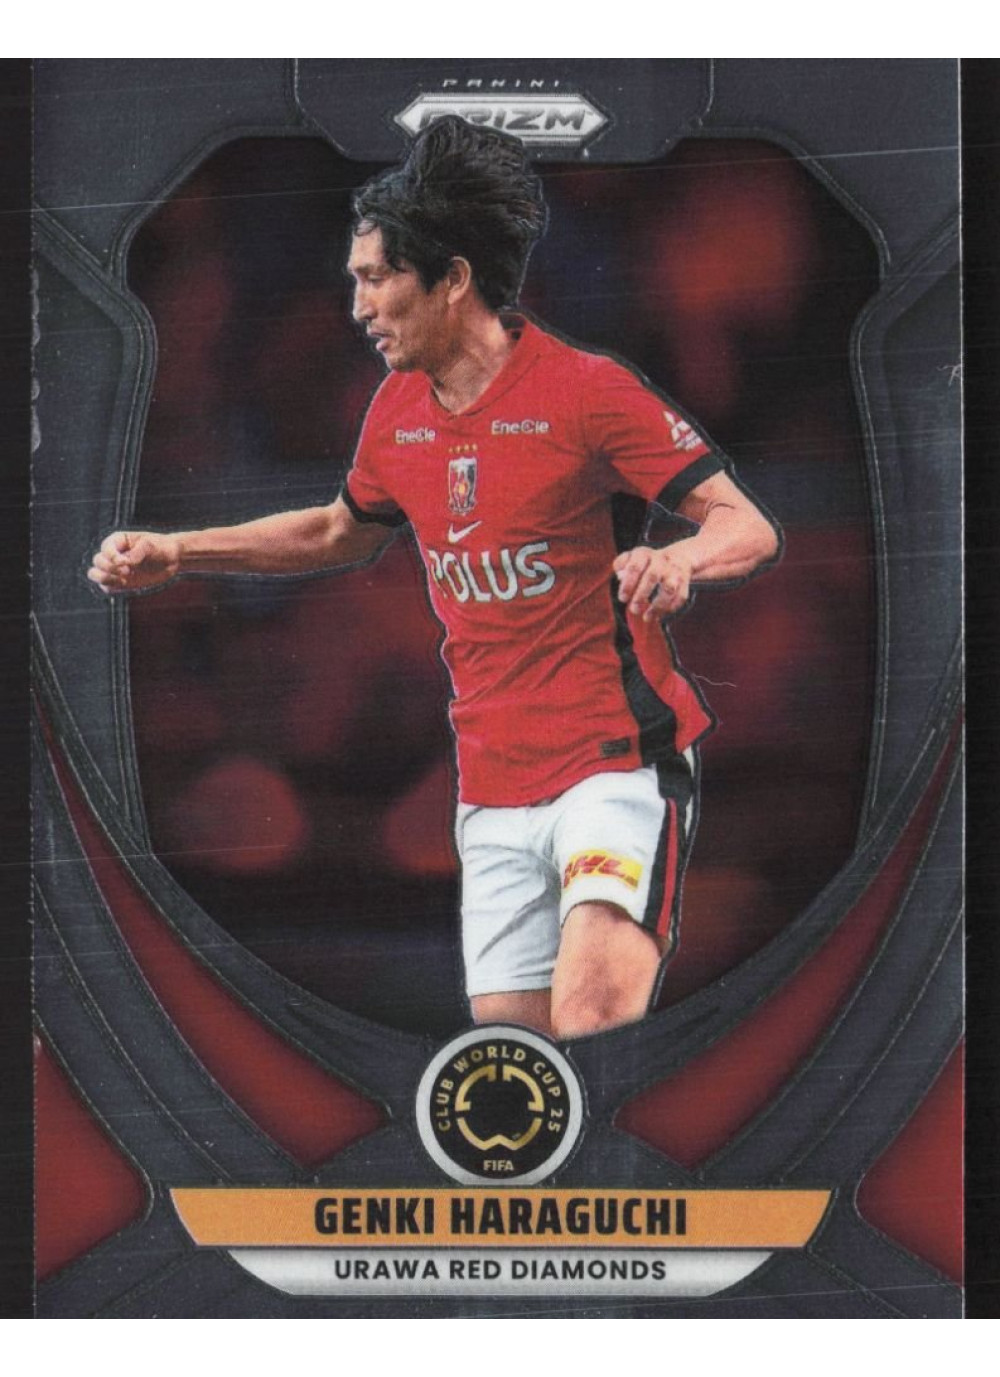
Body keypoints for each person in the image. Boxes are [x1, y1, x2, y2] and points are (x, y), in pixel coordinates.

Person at [88, 117, 780, 1041]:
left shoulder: (589, 392)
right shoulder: (397, 411)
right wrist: (180, 552)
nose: (359, 306)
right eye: (355, 280)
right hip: (491, 788)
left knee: (592, 1026)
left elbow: (747, 524)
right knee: (515, 1067)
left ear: (453, 279)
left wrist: (679, 557)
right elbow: (337, 530)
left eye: (378, 278)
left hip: (614, 765)